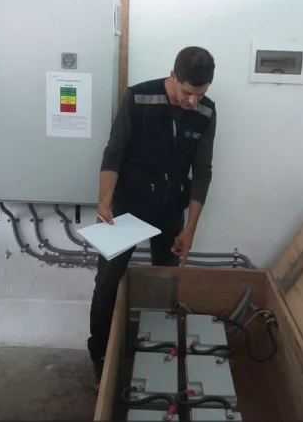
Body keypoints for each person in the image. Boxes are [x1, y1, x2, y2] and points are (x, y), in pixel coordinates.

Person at [87, 46, 217, 384]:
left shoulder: (206, 112)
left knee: (164, 285)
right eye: (188, 93)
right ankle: (100, 354)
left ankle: (160, 354)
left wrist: (189, 228)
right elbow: (114, 152)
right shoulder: (139, 98)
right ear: (172, 76)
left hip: (170, 211)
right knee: (106, 284)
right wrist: (105, 201)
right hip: (127, 210)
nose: (193, 102)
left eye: (200, 94)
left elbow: (202, 171)